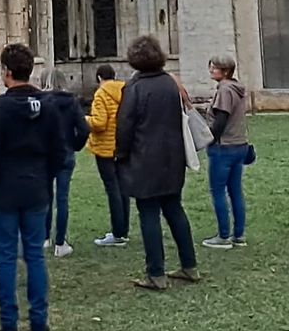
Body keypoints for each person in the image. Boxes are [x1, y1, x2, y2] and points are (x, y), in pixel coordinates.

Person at [0, 44, 67, 331]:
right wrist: (46, 177)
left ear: (7, 72)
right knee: (34, 256)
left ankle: (10, 327)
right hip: (36, 188)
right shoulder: (48, 106)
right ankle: (39, 324)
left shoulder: (1, 107)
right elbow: (58, 150)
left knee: (5, 258)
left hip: (4, 190)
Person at [114, 35, 199, 290]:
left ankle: (156, 272)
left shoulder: (135, 87)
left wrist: (121, 153)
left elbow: (125, 125)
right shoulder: (170, 84)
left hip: (144, 159)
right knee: (174, 209)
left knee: (148, 213)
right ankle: (189, 265)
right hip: (172, 157)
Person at [200, 55, 252, 249]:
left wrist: (208, 138)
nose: (212, 70)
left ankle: (223, 236)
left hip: (224, 147)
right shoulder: (236, 89)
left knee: (218, 191)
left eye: (215, 68)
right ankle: (238, 235)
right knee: (235, 191)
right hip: (240, 145)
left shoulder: (224, 89)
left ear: (226, 71)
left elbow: (221, 119)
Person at [43, 75, 90, 257]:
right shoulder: (72, 103)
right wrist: (75, 145)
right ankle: (60, 243)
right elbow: (84, 129)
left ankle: (45, 238)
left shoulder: (42, 102)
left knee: (46, 197)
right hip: (65, 152)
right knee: (62, 199)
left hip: (47, 154)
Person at [87, 64, 128, 246]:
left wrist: (85, 119)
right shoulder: (126, 91)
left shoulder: (101, 94)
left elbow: (99, 123)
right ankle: (123, 229)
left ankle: (117, 233)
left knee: (112, 189)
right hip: (122, 145)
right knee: (122, 188)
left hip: (105, 148)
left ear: (99, 78)